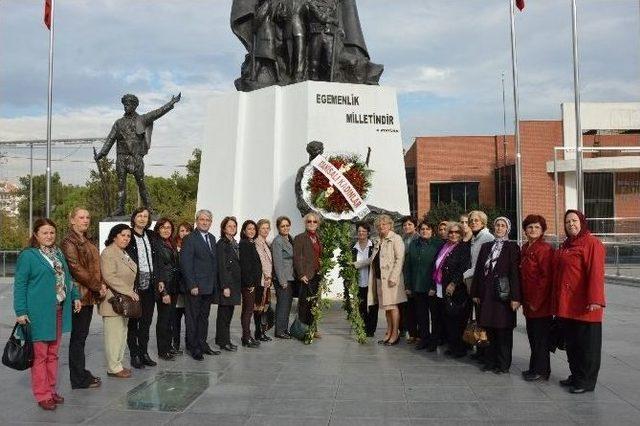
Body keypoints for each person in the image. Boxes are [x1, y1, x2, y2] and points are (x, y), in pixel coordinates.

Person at [14, 218, 81, 410]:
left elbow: (67, 278)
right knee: (40, 356)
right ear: (36, 234)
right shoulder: (28, 256)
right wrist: (21, 311)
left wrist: (75, 296)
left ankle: (51, 390)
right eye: (45, 232)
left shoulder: (58, 253)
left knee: (53, 354)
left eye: (52, 232)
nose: (49, 236)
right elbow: (20, 285)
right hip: (38, 313)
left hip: (58, 311)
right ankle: (42, 394)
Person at [94, 92, 180, 216]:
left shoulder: (142, 119)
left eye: (128, 104)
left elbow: (158, 113)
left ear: (134, 106)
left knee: (141, 183)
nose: (125, 106)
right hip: (121, 157)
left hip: (136, 157)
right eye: (124, 104)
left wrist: (171, 103)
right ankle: (120, 208)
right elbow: (110, 139)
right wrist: (102, 154)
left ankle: (149, 207)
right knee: (121, 184)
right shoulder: (118, 123)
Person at [554, 210, 605, 394]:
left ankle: (586, 381)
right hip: (568, 304)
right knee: (573, 344)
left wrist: (595, 300)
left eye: (574, 221)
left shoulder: (592, 243)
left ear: (582, 222)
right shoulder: (566, 244)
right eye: (567, 222)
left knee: (587, 346)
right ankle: (576, 375)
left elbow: (596, 274)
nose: (571, 225)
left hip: (585, 305)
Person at [60, 208, 105, 389]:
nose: (85, 220)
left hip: (88, 294)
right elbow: (76, 269)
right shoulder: (68, 242)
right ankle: (78, 379)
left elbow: (95, 266)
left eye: (87, 217)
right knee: (78, 338)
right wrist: (97, 286)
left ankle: (81, 373)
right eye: (81, 217)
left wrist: (100, 283)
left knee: (81, 337)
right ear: (72, 220)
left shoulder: (86, 240)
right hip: (79, 295)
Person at [471, 217, 521, 374]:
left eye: (503, 226)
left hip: (503, 295)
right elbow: (479, 270)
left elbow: (515, 274)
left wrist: (516, 297)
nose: (499, 228)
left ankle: (503, 364)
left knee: (503, 330)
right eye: (497, 225)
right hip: (487, 294)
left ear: (508, 229)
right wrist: (476, 292)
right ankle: (490, 361)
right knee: (489, 328)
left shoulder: (512, 248)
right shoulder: (486, 246)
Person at [180, 209, 221, 360]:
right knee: (193, 318)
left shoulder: (211, 237)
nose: (205, 222)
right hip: (195, 287)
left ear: (211, 222)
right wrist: (192, 285)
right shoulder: (190, 238)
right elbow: (186, 264)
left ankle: (202, 344)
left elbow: (213, 263)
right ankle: (193, 347)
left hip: (208, 287)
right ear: (197, 221)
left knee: (204, 317)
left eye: (208, 220)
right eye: (202, 219)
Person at [100, 224, 138, 380]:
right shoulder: (109, 253)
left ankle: (118, 364)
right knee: (113, 336)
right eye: (123, 235)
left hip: (124, 300)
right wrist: (129, 291)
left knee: (121, 334)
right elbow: (110, 277)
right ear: (114, 236)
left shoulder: (123, 252)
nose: (126, 238)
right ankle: (113, 367)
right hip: (113, 301)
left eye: (128, 236)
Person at [520, 214, 554, 382]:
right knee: (533, 337)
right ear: (525, 229)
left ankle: (542, 371)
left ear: (542, 230)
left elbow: (546, 278)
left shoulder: (544, 249)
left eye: (537, 227)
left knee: (541, 339)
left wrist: (536, 301)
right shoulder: (526, 247)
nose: (533, 230)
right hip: (529, 302)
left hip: (540, 304)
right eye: (530, 227)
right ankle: (534, 368)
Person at [125, 207, 161, 369]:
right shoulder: (128, 234)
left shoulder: (152, 235)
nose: (142, 219)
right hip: (135, 282)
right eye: (139, 216)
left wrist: (159, 279)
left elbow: (158, 258)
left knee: (146, 321)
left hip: (151, 280)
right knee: (134, 321)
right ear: (134, 218)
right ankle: (134, 355)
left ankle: (144, 352)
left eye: (145, 216)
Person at [432, 222, 471, 358]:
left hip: (456, 288)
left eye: (456, 232)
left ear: (461, 234)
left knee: (457, 318)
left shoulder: (463, 247)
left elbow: (463, 267)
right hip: (441, 286)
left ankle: (459, 349)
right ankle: (452, 345)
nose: (453, 234)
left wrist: (454, 283)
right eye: (451, 232)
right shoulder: (444, 246)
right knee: (448, 317)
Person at [368, 214, 407, 346]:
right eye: (379, 225)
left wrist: (393, 277)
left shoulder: (396, 239)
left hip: (391, 280)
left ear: (390, 225)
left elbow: (399, 259)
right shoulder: (379, 240)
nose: (381, 227)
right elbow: (374, 259)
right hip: (380, 279)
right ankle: (388, 332)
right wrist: (356, 264)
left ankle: (395, 334)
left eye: (384, 224)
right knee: (386, 308)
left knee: (393, 306)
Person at [406, 221, 444, 351]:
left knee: (434, 316)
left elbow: (440, 267)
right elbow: (408, 266)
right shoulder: (413, 244)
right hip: (417, 286)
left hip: (431, 287)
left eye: (428, 229)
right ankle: (424, 339)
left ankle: (434, 341)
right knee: (421, 315)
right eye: (422, 229)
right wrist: (408, 285)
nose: (425, 231)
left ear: (432, 231)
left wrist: (434, 286)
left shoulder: (438, 244)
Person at [463, 210, 494, 362]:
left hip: (482, 283)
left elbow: (482, 264)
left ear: (483, 222)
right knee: (479, 318)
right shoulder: (476, 237)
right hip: (474, 280)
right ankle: (481, 350)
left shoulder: (487, 238)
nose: (473, 222)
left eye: (477, 220)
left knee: (484, 318)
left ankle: (486, 353)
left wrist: (464, 274)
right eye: (471, 220)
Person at [153, 218, 181, 360]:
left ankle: (169, 346)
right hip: (164, 286)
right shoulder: (156, 244)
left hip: (174, 285)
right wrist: (164, 292)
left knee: (170, 318)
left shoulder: (171, 243)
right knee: (164, 319)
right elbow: (159, 268)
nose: (166, 230)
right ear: (158, 229)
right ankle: (162, 350)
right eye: (163, 227)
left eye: (169, 227)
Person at [216, 217, 241, 352]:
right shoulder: (222, 244)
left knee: (229, 314)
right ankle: (222, 341)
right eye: (229, 226)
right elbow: (221, 266)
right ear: (224, 228)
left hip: (234, 284)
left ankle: (226, 340)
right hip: (227, 285)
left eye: (234, 226)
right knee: (224, 315)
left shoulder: (234, 243)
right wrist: (225, 286)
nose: (232, 228)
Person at [294, 212, 323, 329]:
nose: (312, 223)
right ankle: (302, 329)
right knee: (304, 304)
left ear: (317, 224)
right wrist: (301, 274)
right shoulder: (300, 238)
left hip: (317, 275)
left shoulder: (318, 238)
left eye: (314, 221)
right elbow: (297, 257)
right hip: (306, 276)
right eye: (309, 221)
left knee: (315, 303)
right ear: (305, 223)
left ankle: (312, 328)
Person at [239, 220, 262, 348]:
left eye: (253, 229)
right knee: (248, 311)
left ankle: (247, 336)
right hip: (249, 284)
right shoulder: (245, 244)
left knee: (248, 310)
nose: (252, 231)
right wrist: (250, 283)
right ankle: (246, 338)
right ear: (244, 231)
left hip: (252, 283)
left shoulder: (250, 243)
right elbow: (246, 266)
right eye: (249, 229)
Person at [352, 222, 377, 337]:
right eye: (359, 231)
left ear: (368, 233)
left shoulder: (374, 246)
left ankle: (371, 330)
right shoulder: (353, 247)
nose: (361, 233)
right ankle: (364, 327)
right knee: (361, 306)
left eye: (364, 231)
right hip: (359, 281)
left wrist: (356, 264)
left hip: (371, 281)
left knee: (372, 306)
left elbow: (373, 261)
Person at [272, 216, 295, 339]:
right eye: (282, 226)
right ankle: (280, 331)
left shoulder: (290, 239)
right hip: (283, 279)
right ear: (278, 228)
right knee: (282, 305)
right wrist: (282, 281)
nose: (285, 228)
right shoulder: (277, 241)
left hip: (290, 277)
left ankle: (284, 329)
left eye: (287, 225)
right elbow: (278, 262)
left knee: (287, 305)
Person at [172, 221, 192, 354]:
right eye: (182, 231)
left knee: (190, 319)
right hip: (177, 290)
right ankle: (176, 344)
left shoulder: (193, 246)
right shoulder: (174, 247)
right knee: (176, 319)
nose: (184, 233)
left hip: (190, 289)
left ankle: (189, 344)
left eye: (187, 231)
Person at [254, 219, 274, 341]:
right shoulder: (258, 242)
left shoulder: (265, 242)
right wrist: (268, 276)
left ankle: (261, 331)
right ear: (258, 229)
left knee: (263, 307)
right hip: (262, 279)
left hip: (266, 280)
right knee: (259, 307)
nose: (266, 230)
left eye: (267, 228)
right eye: (263, 228)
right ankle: (258, 332)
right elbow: (262, 261)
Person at [401, 216, 419, 343]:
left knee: (416, 307)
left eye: (409, 224)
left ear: (415, 226)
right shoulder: (403, 238)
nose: (407, 227)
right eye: (405, 225)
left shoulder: (418, 238)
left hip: (414, 276)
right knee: (407, 307)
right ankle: (410, 332)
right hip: (404, 274)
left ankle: (418, 334)